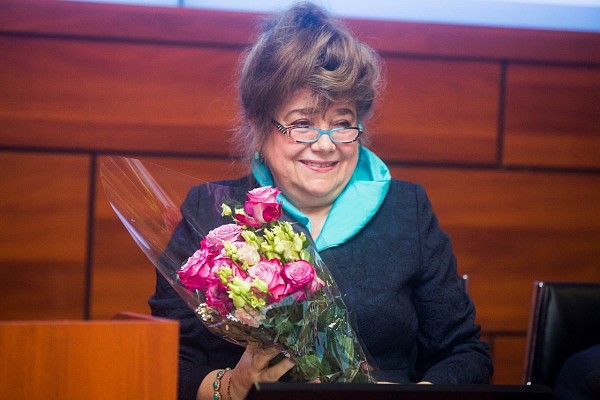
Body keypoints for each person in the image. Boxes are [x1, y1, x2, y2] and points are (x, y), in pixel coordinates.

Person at [149, 2, 494, 400]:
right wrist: (233, 385)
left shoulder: (407, 210)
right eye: (302, 123)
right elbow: (167, 361)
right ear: (258, 125)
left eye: (342, 123)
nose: (326, 145)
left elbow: (465, 354)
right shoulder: (209, 212)